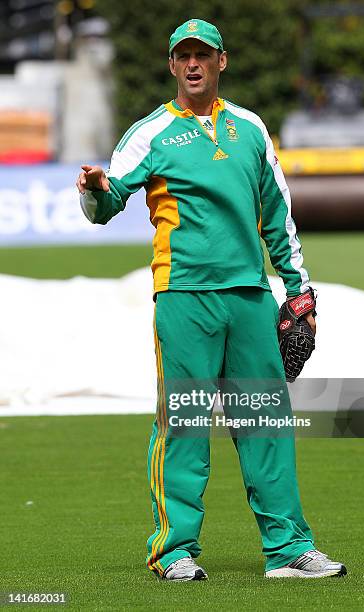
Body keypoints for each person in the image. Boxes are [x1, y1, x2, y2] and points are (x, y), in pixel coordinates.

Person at [76, 19, 347, 581]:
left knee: (267, 422)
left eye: (203, 54)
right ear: (172, 65)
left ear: (222, 61)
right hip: (184, 296)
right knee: (185, 424)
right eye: (183, 56)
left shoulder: (250, 128)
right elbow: (107, 203)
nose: (193, 63)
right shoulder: (149, 133)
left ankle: (289, 550)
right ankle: (173, 552)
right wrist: (96, 191)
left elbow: (278, 215)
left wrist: (299, 290)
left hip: (249, 295)